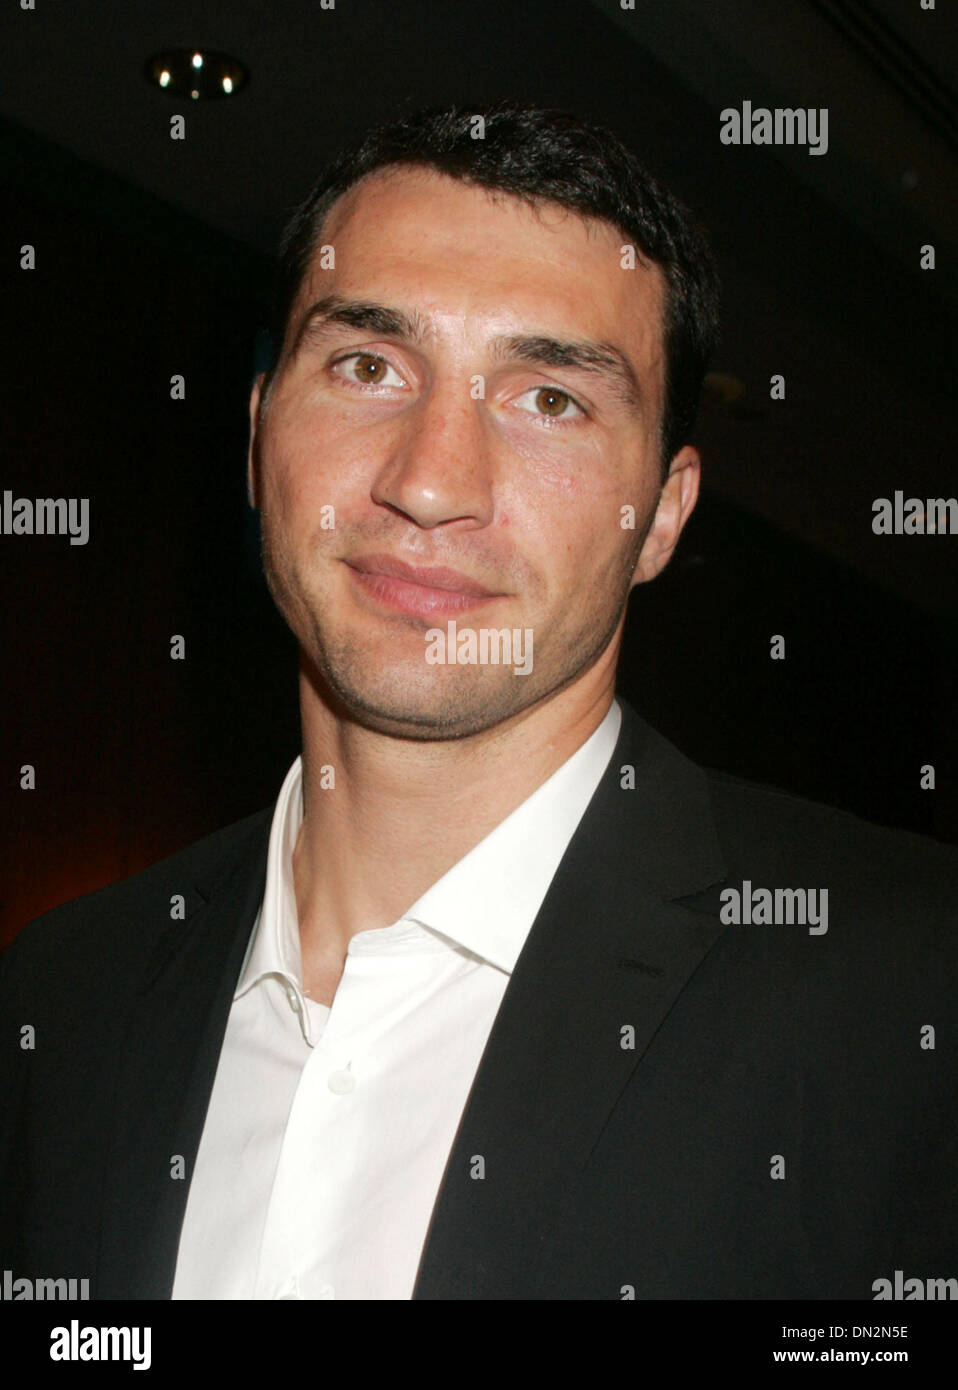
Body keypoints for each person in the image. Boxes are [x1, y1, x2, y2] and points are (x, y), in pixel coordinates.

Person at [1, 102, 955, 1302]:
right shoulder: (61, 999)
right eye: (367, 365)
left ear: (661, 513)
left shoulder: (907, 993)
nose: (432, 481)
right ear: (257, 441)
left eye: (549, 396)